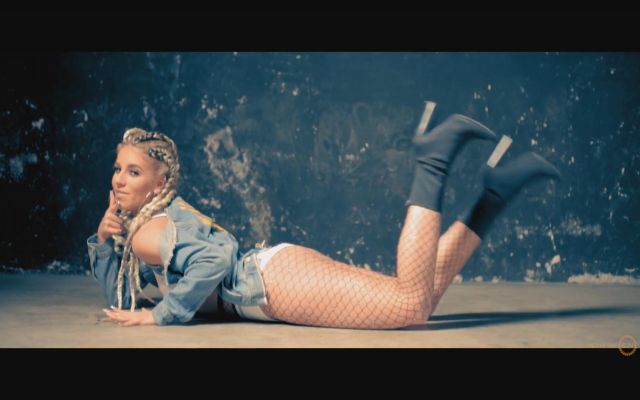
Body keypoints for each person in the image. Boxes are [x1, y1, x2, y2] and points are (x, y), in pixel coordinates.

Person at [88, 104, 561, 329]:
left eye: (134, 171)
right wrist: (104, 240)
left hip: (270, 284)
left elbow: (216, 258)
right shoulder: (146, 228)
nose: (119, 180)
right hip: (274, 273)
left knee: (409, 307)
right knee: (419, 298)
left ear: (159, 184)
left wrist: (163, 316)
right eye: (118, 169)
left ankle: (433, 159)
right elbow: (123, 299)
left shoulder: (150, 232)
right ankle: (494, 194)